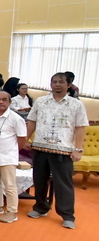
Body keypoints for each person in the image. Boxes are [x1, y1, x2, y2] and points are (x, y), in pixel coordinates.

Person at [26, 72, 87, 229]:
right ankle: (40, 207)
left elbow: (80, 127)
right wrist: (25, 139)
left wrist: (78, 149)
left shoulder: (76, 104)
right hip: (40, 147)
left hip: (63, 150)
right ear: (50, 84)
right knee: (39, 180)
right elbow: (31, 121)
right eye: (54, 82)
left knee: (63, 184)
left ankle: (67, 215)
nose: (57, 84)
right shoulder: (41, 102)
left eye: (61, 82)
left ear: (68, 85)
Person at [0, 91, 27, 223]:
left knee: (10, 185)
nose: (1, 102)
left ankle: (12, 211)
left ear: (9, 102)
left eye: (4, 100)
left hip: (8, 157)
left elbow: (22, 138)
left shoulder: (16, 118)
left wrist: (13, 150)